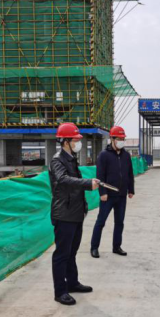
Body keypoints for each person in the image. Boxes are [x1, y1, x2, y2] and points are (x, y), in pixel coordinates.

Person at [49, 122, 100, 306]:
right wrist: (87, 184)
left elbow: (74, 182)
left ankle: (72, 283)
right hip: (64, 214)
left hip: (75, 213)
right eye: (75, 140)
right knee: (62, 254)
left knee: (72, 252)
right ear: (65, 142)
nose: (78, 143)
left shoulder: (71, 159)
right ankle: (60, 291)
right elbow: (63, 180)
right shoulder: (57, 160)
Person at [90, 126, 135, 258]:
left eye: (123, 139)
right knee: (101, 222)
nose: (121, 141)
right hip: (108, 196)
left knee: (119, 222)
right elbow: (100, 176)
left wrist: (131, 189)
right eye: (119, 139)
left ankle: (116, 247)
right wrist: (102, 192)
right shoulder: (104, 155)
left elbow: (130, 174)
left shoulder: (126, 155)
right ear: (112, 139)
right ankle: (94, 247)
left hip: (121, 195)